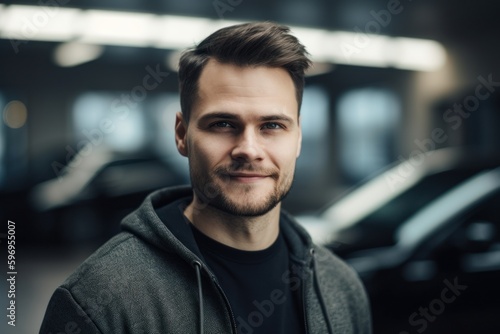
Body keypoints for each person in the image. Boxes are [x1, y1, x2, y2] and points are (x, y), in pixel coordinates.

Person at [40, 22, 372, 334]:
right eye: (223, 124)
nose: (249, 149)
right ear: (182, 134)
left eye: (272, 125)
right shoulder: (98, 302)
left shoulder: (340, 287)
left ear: (298, 137)